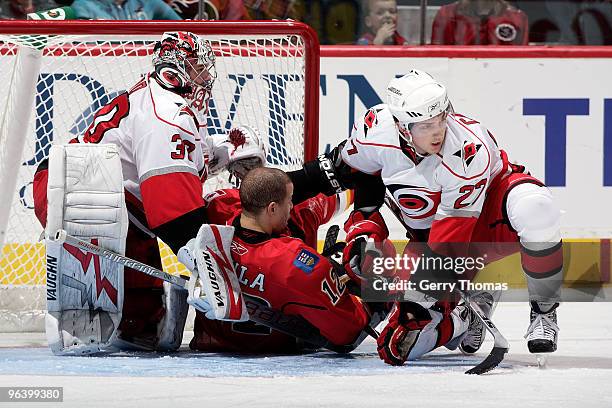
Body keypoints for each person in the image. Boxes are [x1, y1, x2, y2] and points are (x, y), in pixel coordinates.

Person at [32, 31, 266, 351]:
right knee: (126, 328)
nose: (206, 75)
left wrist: (226, 152)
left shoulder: (161, 99)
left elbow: (176, 160)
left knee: (144, 327)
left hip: (79, 186)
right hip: (78, 195)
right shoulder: (167, 113)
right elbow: (173, 214)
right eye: (199, 66)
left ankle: (109, 319)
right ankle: (85, 322)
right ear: (178, 68)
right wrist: (212, 273)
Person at [339, 69, 562, 366]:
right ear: (402, 126)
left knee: (536, 207)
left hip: (487, 217)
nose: (438, 131)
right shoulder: (375, 133)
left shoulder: (467, 148)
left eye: (442, 118)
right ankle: (463, 317)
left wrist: (422, 295)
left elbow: (450, 245)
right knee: (399, 346)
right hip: (437, 237)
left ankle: (544, 311)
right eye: (426, 124)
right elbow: (348, 172)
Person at [189, 167, 474, 359]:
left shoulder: (219, 208)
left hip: (214, 340)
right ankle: (459, 322)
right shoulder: (296, 264)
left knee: (312, 215)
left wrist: (362, 178)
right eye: (289, 201)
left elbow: (316, 203)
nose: (292, 206)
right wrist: (361, 284)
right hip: (286, 336)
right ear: (273, 208)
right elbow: (349, 333)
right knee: (379, 257)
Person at [431, 0, 528, 45]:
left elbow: (522, 61)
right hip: (459, 76)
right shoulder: (447, 14)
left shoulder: (516, 18)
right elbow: (439, 60)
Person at [70, 0, 181, 20]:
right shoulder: (82, 5)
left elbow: (185, 28)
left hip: (144, 65)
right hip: (101, 67)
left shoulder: (149, 2)